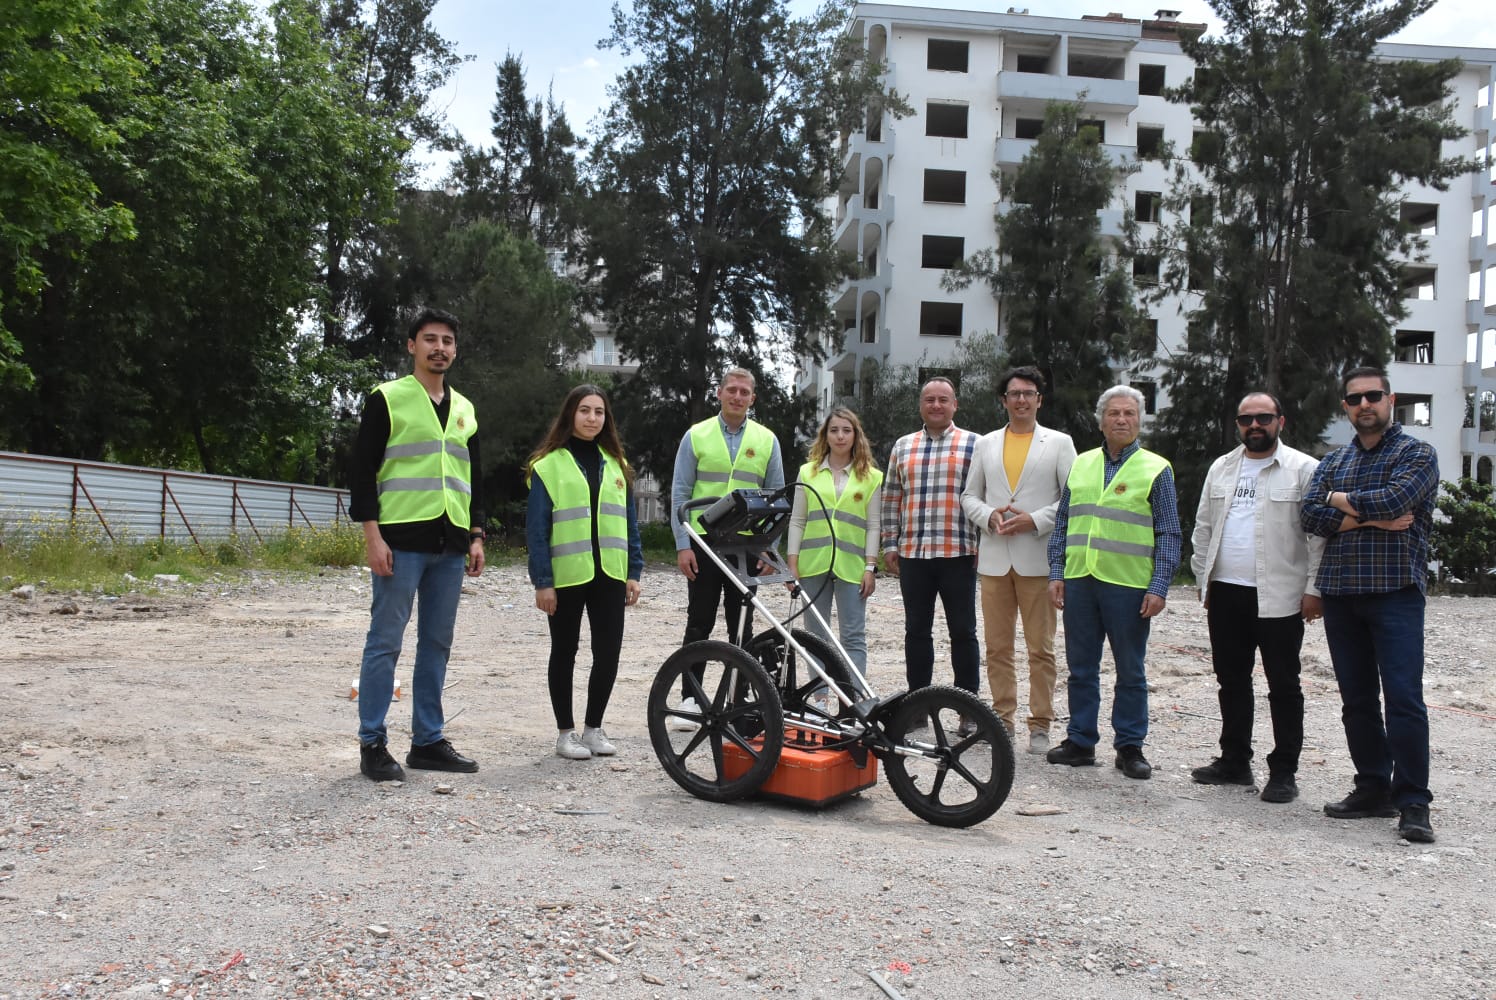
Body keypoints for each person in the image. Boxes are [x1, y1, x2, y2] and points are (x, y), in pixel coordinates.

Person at [1301, 367, 1438, 843]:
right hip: (1341, 595)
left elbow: (1400, 497)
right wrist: (1370, 521)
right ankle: (1372, 786)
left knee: (1403, 700)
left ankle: (1414, 801)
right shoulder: (1335, 461)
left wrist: (1340, 502)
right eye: (1355, 399)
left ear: (1390, 399)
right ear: (1345, 407)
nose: (1365, 405)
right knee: (1357, 701)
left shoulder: (1416, 453)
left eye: (1373, 396)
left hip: (1395, 593)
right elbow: (1309, 514)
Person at [350, 308, 485, 783]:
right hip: (399, 542)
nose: (440, 348)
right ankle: (372, 742)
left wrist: (476, 534)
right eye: (430, 339)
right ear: (412, 346)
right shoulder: (388, 398)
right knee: (385, 642)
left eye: (448, 340)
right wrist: (372, 535)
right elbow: (363, 471)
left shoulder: (465, 408)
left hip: (449, 543)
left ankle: (427, 741)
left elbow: (471, 475)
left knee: (436, 644)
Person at [1189, 392, 1325, 803]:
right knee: (1231, 680)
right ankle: (1234, 761)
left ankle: (1283, 771)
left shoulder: (1304, 469)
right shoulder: (1222, 467)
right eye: (1246, 419)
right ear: (1238, 425)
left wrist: (1314, 589)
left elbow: (1319, 536)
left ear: (1280, 421)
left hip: (1281, 597)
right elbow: (1203, 527)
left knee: (1284, 685)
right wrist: (1204, 581)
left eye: (1263, 418)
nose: (1255, 425)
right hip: (1226, 592)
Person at [1046, 385, 1180, 780]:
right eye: (1114, 414)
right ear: (1101, 420)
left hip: (1128, 585)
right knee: (1081, 666)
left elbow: (1169, 532)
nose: (1121, 420)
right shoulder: (1082, 464)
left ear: (1139, 421)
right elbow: (1064, 523)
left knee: (1130, 669)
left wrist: (1159, 585)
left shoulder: (1156, 468)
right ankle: (1081, 740)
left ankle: (1130, 746)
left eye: (1129, 414)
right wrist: (1057, 572)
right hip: (1080, 580)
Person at [960, 366, 1076, 755]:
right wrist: (989, 515)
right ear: (1004, 400)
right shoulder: (986, 443)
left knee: (1041, 648)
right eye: (1014, 394)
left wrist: (1036, 520)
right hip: (994, 560)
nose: (1021, 400)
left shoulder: (1059, 443)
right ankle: (1002, 721)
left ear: (1039, 400)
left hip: (1038, 561)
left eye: (1029, 393)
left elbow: (1073, 498)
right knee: (997, 647)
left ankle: (1040, 724)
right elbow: (969, 496)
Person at [526, 384, 644, 760]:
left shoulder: (617, 465)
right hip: (566, 576)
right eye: (584, 410)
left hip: (610, 574)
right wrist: (543, 582)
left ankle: (593, 729)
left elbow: (630, 524)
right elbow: (537, 530)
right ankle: (565, 733)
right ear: (570, 415)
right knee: (564, 651)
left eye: (599, 412)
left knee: (608, 653)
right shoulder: (548, 465)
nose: (592, 418)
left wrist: (634, 571)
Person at [669, 367, 785, 727]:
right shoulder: (696, 436)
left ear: (753, 398)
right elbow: (680, 493)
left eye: (744, 392)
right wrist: (682, 544)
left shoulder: (767, 440)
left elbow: (778, 496)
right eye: (731, 390)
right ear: (719, 393)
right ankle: (691, 699)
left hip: (747, 545)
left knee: (742, 623)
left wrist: (770, 547)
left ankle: (739, 698)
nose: (737, 397)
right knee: (699, 621)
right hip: (704, 541)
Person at [881, 377, 981, 700]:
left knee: (963, 632)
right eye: (929, 400)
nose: (936, 405)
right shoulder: (903, 446)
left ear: (955, 405)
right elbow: (891, 497)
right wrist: (889, 544)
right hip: (913, 554)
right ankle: (917, 704)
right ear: (921, 405)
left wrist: (983, 544)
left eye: (943, 400)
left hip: (959, 553)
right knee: (917, 632)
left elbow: (983, 495)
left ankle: (968, 705)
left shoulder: (975, 445)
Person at [786, 406, 883, 693]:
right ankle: (818, 701)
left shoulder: (872, 477)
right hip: (812, 564)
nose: (840, 436)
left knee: (853, 636)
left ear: (856, 435)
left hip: (853, 567)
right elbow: (798, 520)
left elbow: (873, 525)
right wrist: (792, 563)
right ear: (825, 435)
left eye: (846, 430)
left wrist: (870, 567)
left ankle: (854, 700)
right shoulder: (808, 472)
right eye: (834, 430)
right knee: (816, 636)